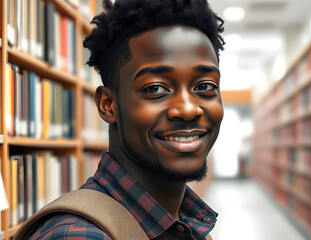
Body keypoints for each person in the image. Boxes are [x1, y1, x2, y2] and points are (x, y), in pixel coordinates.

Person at [29, 0, 225, 239]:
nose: (187, 109)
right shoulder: (78, 235)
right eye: (155, 89)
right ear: (108, 105)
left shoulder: (187, 224)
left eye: (204, 86)